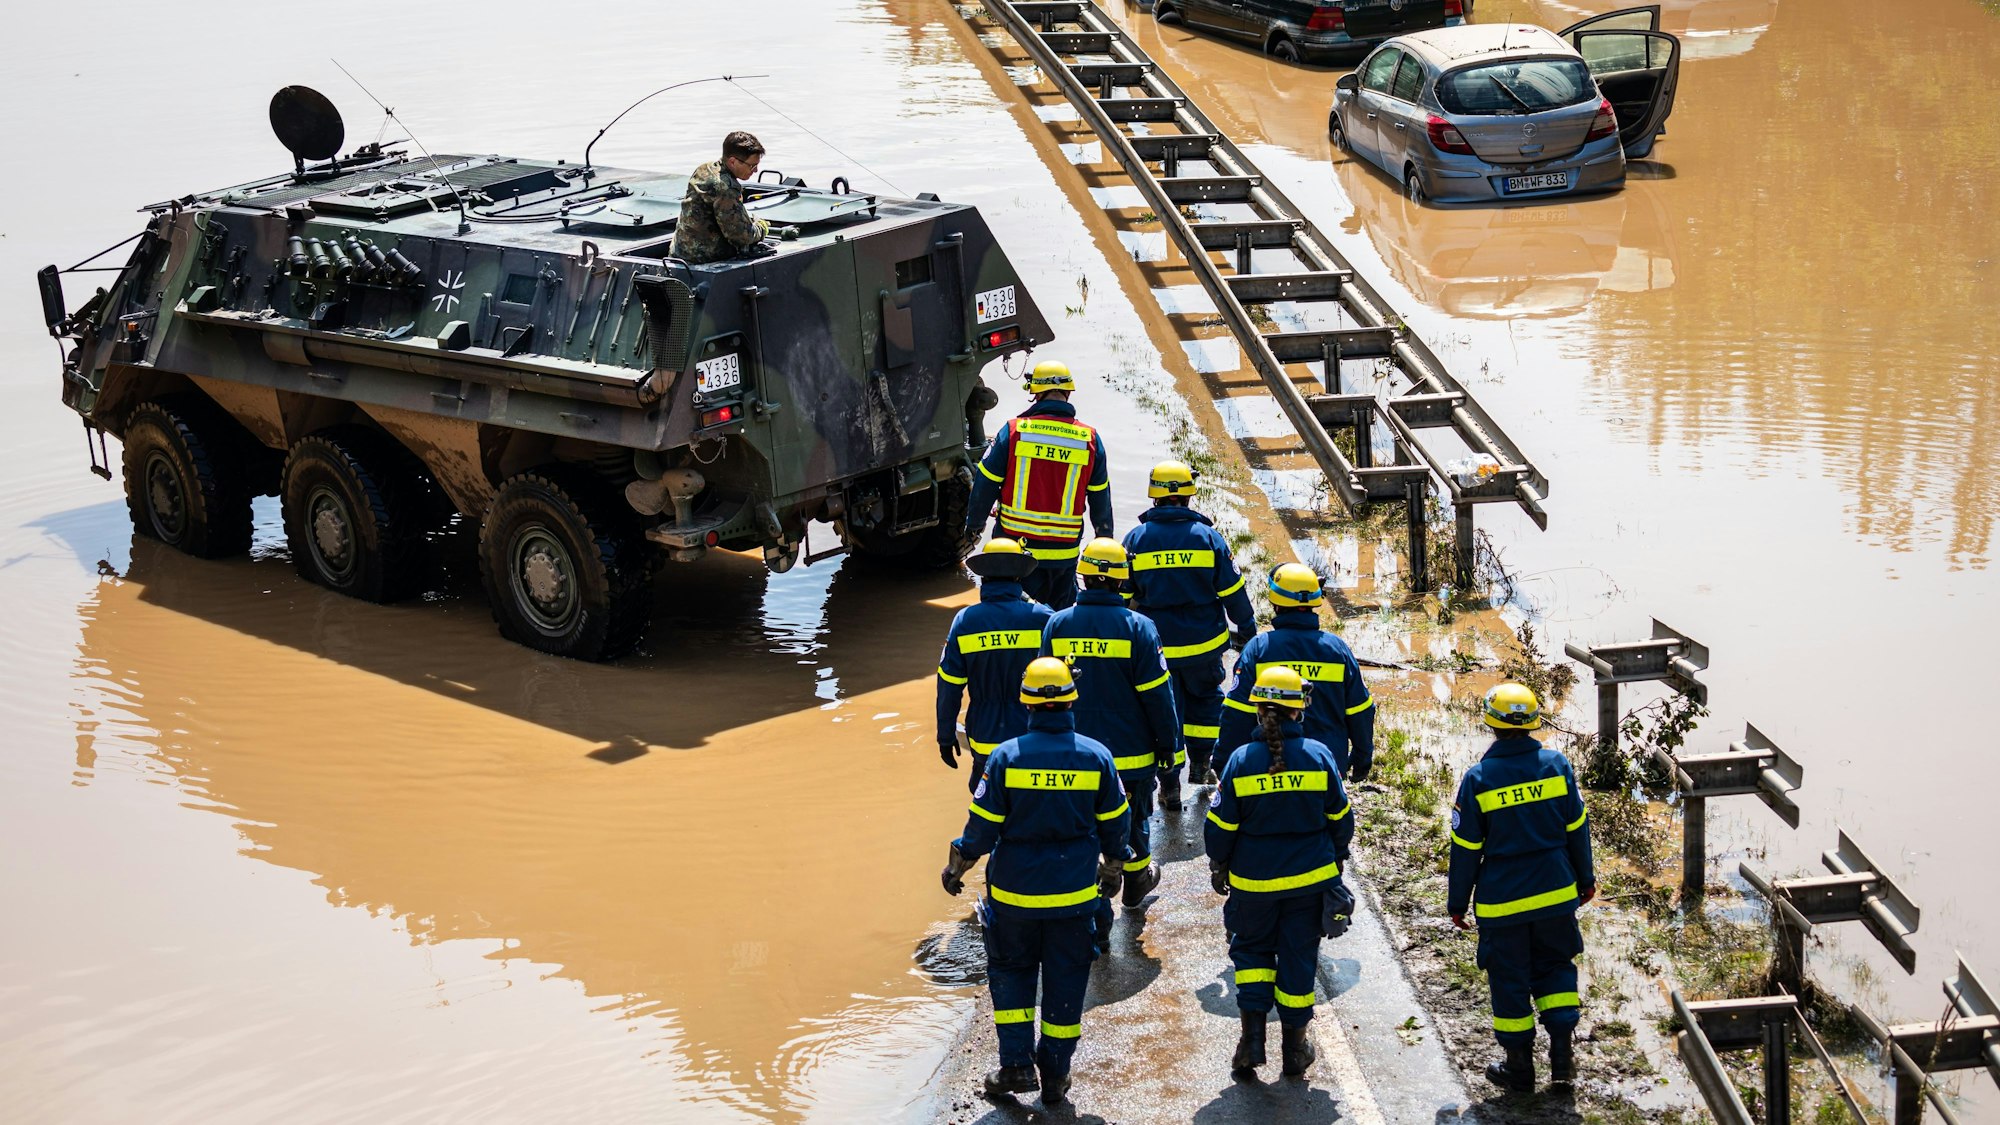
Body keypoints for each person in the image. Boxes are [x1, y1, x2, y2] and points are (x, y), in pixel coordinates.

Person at [941, 657, 1131, 1106]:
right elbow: (1116, 824)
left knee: (1012, 973)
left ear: (1025, 702)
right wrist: (1113, 867)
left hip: (1014, 896)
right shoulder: (1096, 757)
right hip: (1073, 897)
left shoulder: (1005, 757)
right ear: (1072, 701)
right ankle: (1056, 1074)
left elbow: (981, 830)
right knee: (1067, 979)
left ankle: (1015, 1065)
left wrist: (956, 867)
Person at [1446, 682, 1597, 1093]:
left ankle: (1519, 1068)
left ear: (1490, 723)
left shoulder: (1478, 779)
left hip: (1503, 903)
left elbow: (1466, 850)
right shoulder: (1557, 765)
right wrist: (1585, 880)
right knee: (1556, 967)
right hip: (1556, 893)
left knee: (1509, 978)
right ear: (1533, 721)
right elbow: (1577, 830)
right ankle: (1562, 1059)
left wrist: (1457, 903)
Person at [1204, 666, 1355, 1078]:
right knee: (1298, 958)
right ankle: (1295, 1049)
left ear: (1257, 710)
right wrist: (1336, 858)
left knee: (1252, 954)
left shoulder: (1240, 761)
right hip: (1310, 884)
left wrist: (1219, 864)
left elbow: (1220, 827)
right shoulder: (1319, 756)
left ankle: (1251, 1041)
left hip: (1253, 885)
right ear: (1298, 710)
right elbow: (1341, 819)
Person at [1041, 539, 1177, 940]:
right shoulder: (1140, 628)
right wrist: (1168, 744)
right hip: (1131, 756)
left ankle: (1093, 920)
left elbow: (1044, 691)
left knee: (1082, 830)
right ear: (1122, 579)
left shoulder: (1057, 625)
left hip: (1073, 756)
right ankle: (1135, 883)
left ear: (1082, 575)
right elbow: (1158, 695)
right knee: (1133, 821)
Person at [1120, 459, 1257, 807]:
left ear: (1154, 496)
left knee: (1165, 714)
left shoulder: (1135, 540)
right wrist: (1248, 628)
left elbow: (1121, 597)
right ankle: (1201, 763)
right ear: (1188, 496)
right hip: (1203, 647)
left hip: (1158, 650)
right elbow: (1232, 591)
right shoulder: (1208, 538)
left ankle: (1170, 786)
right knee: (1206, 703)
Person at [965, 360, 1113, 611]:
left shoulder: (1014, 432)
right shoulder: (1089, 439)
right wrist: (1104, 542)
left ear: (1035, 394)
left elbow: (985, 483)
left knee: (1013, 619)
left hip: (1015, 554)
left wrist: (974, 525)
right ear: (1067, 393)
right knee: (1058, 621)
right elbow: (1100, 498)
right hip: (1064, 557)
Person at [1217, 563, 1376, 784]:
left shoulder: (1259, 650)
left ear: (1275, 602)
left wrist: (1223, 762)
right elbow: (1360, 710)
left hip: (1269, 770)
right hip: (1326, 768)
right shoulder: (1337, 650)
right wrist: (1362, 757)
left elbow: (1237, 713)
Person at [936, 539, 1054, 791]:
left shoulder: (965, 621)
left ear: (984, 577)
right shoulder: (1042, 618)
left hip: (985, 736)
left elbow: (949, 686)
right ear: (1019, 576)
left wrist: (945, 735)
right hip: (1033, 735)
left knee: (986, 803)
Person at [670, 131, 770, 264]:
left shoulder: (704, 169)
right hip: (704, 262)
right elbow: (741, 236)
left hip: (680, 253)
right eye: (752, 166)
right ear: (733, 161)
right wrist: (762, 227)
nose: (756, 170)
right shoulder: (725, 188)